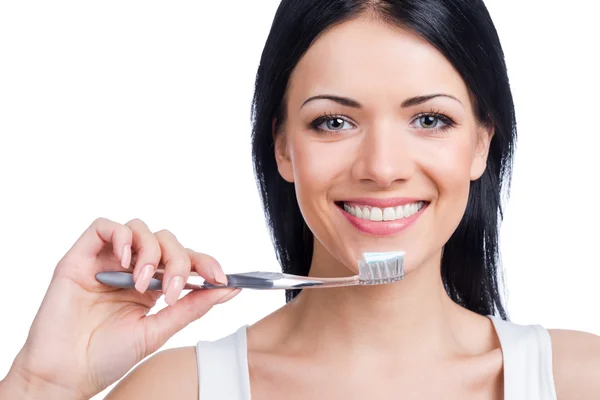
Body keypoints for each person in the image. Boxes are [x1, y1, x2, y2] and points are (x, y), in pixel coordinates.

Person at [1, 0, 599, 398]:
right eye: (335, 122)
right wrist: (41, 384)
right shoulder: (177, 391)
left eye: (431, 120)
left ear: (480, 146)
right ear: (284, 149)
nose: (383, 169)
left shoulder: (581, 380)